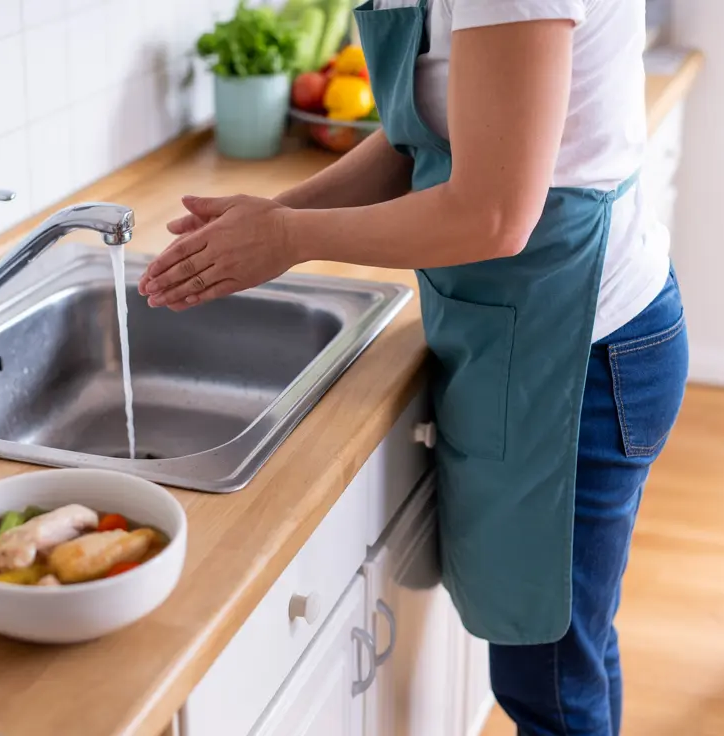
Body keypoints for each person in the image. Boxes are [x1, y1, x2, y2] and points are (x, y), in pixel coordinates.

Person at [138, 0, 688, 733]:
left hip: (581, 361)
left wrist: (291, 236)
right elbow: (416, 138)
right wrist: (269, 223)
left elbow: (494, 213)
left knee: (549, 681)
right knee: (568, 653)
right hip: (534, 341)